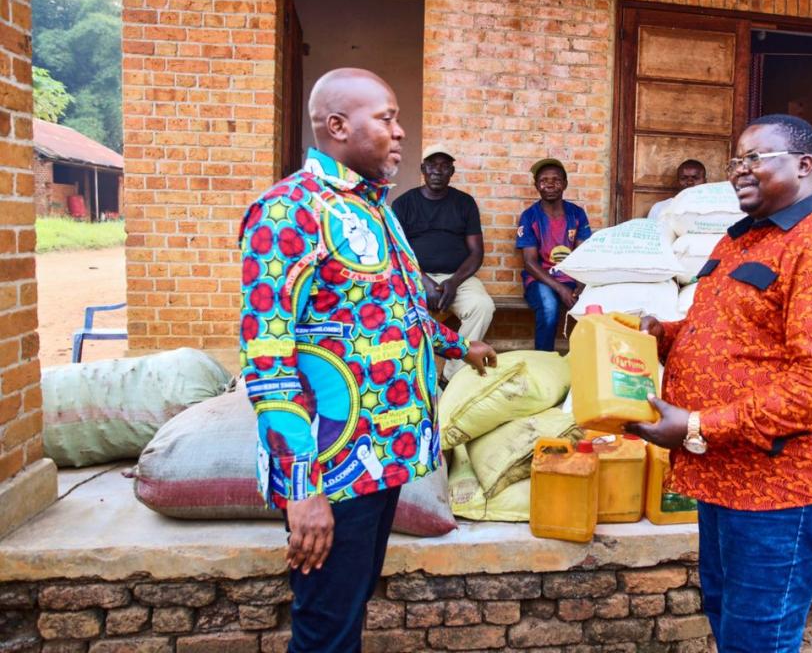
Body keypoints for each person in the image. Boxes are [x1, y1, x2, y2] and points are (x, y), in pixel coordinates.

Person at [238, 68, 497, 653]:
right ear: (337, 126)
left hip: (381, 455)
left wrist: (460, 345)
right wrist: (302, 491)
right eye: (386, 119)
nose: (400, 133)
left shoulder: (377, 211)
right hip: (331, 471)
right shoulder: (288, 212)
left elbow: (393, 312)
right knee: (325, 628)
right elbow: (267, 357)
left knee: (349, 611)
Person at [627, 114, 812, 652]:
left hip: (785, 489)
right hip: (727, 474)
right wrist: (663, 335)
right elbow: (731, 332)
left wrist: (699, 424)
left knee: (759, 638)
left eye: (755, 158)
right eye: (736, 161)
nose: (740, 171)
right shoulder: (737, 242)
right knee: (728, 618)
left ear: (804, 165)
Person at [392, 144, 495, 380]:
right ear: (422, 169)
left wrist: (454, 282)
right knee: (399, 311)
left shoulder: (464, 203)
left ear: (452, 171)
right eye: (432, 165)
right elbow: (396, 253)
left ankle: (451, 376)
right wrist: (424, 281)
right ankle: (410, 374)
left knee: (482, 306)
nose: (437, 170)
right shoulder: (403, 204)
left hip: (458, 276)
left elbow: (476, 252)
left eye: (444, 165)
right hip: (415, 275)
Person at [515, 158, 592, 351]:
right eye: (544, 180)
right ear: (536, 186)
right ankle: (544, 363)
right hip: (541, 280)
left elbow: (584, 254)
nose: (550, 184)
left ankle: (588, 362)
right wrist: (561, 289)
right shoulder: (530, 216)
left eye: (556, 180)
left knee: (595, 306)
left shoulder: (577, 214)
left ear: (565, 184)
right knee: (549, 307)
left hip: (573, 279)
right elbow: (530, 263)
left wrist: (582, 285)